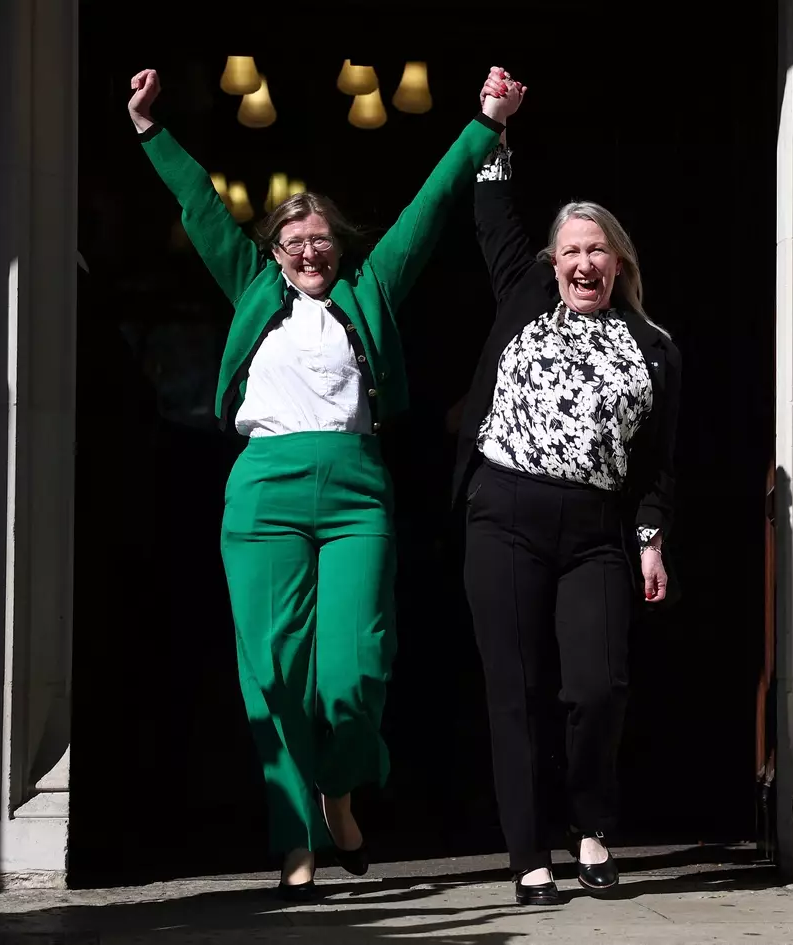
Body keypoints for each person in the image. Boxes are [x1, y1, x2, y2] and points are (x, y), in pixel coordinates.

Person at [127, 65, 516, 898]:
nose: (308, 249)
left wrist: (484, 124)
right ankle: (294, 838)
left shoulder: (367, 292)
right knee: (273, 670)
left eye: (320, 239)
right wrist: (153, 132)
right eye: (292, 240)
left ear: (340, 248)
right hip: (263, 492)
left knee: (357, 666)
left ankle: (340, 787)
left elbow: (426, 209)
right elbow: (202, 207)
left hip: (354, 494)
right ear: (271, 253)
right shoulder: (249, 290)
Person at [454, 69, 682, 906]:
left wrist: (651, 540)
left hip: (595, 529)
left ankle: (591, 825)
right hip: (504, 515)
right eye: (570, 250)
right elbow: (491, 213)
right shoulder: (522, 295)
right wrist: (495, 127)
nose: (583, 261)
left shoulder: (654, 346)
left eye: (597, 249)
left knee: (596, 685)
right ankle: (528, 856)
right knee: (511, 692)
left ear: (617, 261)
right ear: (552, 264)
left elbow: (658, 460)